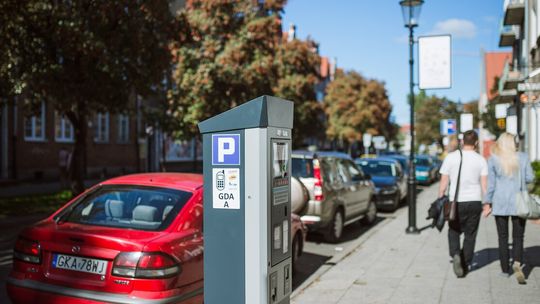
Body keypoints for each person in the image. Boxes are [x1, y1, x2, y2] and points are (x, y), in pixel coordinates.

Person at [483, 133, 533, 284]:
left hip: (500, 202)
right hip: (519, 202)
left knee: (502, 237)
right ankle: (517, 263)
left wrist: (487, 203)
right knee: (519, 237)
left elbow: (491, 186)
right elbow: (530, 178)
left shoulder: (493, 160)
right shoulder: (523, 157)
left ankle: (505, 270)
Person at [438, 130, 488, 278]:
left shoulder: (451, 158)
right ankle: (465, 263)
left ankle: (455, 254)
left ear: (462, 141)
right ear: (476, 143)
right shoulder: (481, 160)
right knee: (470, 235)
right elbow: (485, 186)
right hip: (474, 202)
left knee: (453, 231)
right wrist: (487, 204)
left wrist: (440, 199)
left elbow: (443, 183)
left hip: (455, 202)